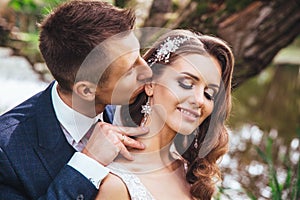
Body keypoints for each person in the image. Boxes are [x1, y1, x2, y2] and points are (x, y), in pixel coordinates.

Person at [0, 0, 152, 199]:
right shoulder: (6, 153)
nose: (148, 72)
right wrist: (88, 165)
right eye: (130, 70)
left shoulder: (141, 108)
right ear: (87, 90)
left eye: (140, 55)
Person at [96, 29, 235, 200]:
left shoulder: (193, 173)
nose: (199, 100)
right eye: (186, 83)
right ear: (150, 83)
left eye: (209, 94)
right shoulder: (116, 185)